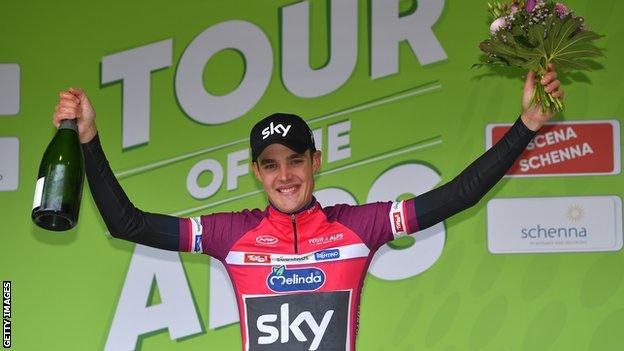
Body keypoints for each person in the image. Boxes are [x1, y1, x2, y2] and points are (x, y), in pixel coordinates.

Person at [53, 65, 563, 351]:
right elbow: (128, 224)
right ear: (256, 172)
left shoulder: (358, 225)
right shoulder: (231, 234)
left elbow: (460, 194)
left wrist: (527, 126)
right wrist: (90, 139)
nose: (285, 176)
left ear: (316, 161)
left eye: (295, 160)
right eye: (271, 165)